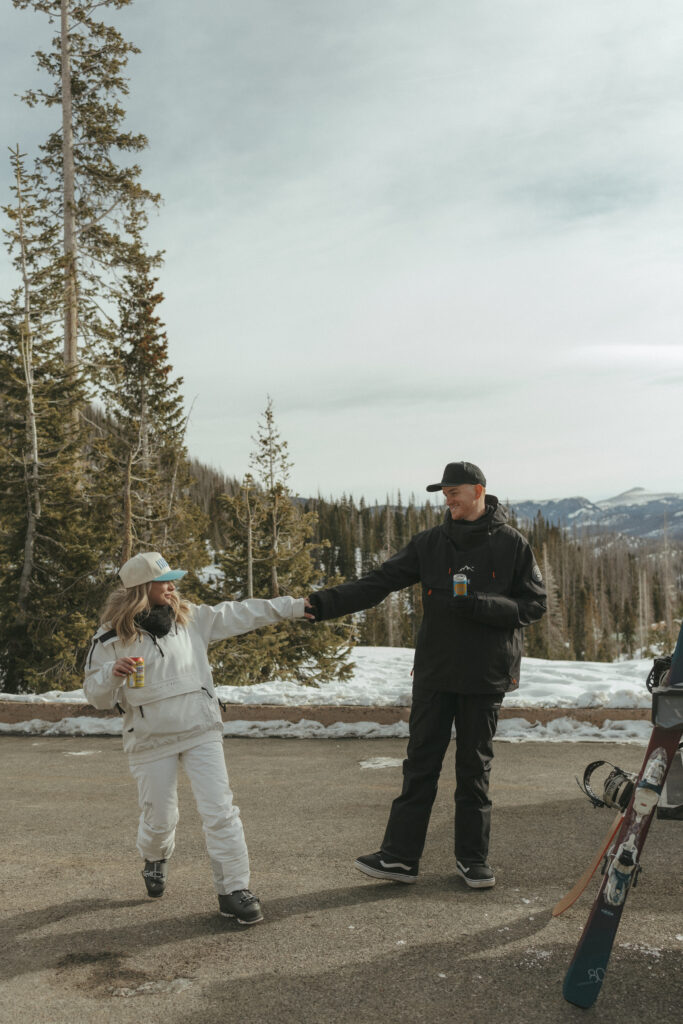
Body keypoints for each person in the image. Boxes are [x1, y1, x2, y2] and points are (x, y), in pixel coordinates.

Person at [308, 462, 546, 889]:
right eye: (444, 494)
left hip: (485, 676)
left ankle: (472, 861)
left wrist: (482, 606)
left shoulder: (512, 544)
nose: (448, 500)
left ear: (478, 491)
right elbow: (378, 582)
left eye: (454, 492)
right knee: (420, 766)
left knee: (474, 770)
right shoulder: (431, 543)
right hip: (435, 673)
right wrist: (323, 604)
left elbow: (533, 606)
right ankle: (399, 858)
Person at [84, 550, 312, 925]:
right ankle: (156, 857)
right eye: (164, 581)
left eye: (172, 580)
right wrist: (112, 673)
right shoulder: (110, 638)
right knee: (160, 819)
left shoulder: (193, 619)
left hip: (200, 730)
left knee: (220, 811)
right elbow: (95, 697)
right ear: (142, 588)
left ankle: (233, 890)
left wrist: (295, 607)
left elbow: (245, 613)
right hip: (149, 739)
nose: (172, 586)